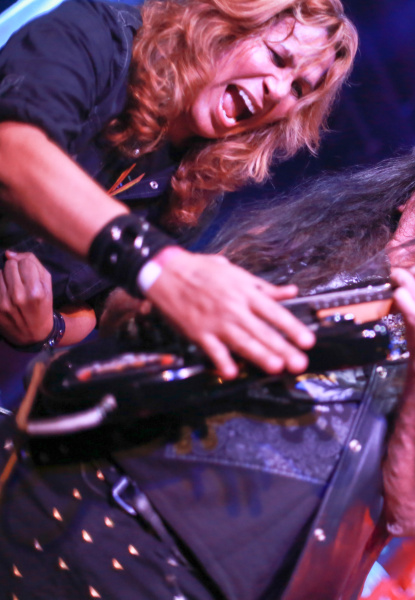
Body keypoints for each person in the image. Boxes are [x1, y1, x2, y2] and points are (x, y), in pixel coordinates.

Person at [0, 114, 415, 599]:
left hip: (199, 578)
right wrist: (54, 328)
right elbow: (135, 312)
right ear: (407, 197)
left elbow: (413, 510)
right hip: (83, 478)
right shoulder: (296, 242)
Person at [0, 0, 358, 377]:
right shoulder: (98, 37)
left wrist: (49, 329)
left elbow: (101, 307)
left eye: (299, 89)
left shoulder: (198, 187)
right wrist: (163, 268)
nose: (278, 89)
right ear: (224, 25)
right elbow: (12, 153)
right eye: (277, 57)